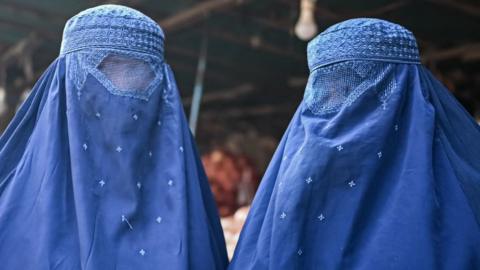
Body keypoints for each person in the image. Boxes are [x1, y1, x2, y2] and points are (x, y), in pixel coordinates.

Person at [229, 18, 480, 269]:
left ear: (403, 88)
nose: (341, 110)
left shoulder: (460, 174)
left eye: (358, 89)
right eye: (328, 94)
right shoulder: (304, 164)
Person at [0, 5, 228, 269]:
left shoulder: (191, 208)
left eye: (139, 78)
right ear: (64, 81)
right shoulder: (9, 208)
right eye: (104, 73)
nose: (123, 96)